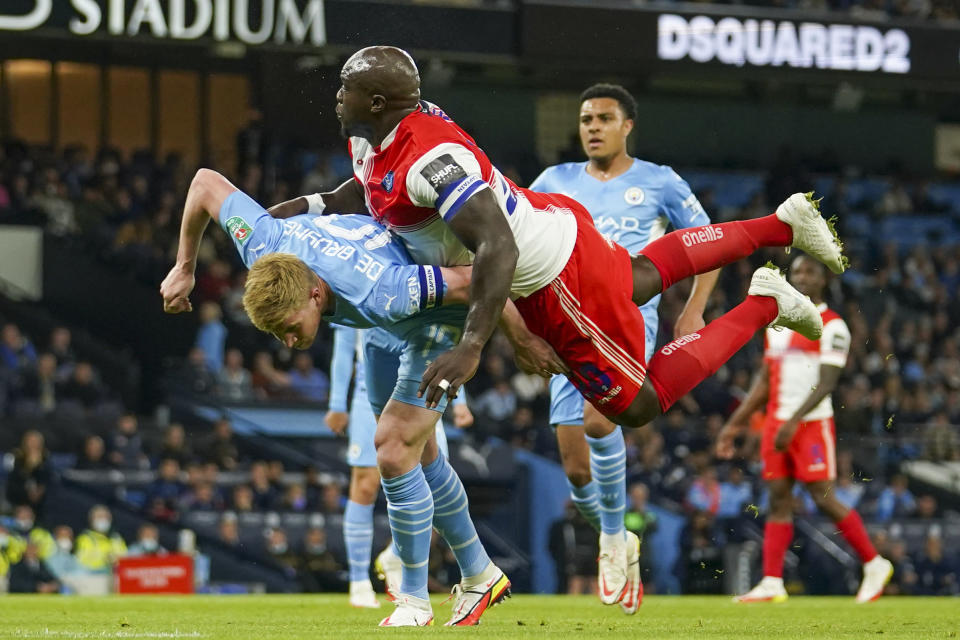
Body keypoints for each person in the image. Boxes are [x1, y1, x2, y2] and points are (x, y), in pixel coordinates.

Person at [265, 45, 845, 621]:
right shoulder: (374, 136)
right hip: (552, 222)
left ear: (378, 99)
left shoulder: (429, 160)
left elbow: (498, 245)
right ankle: (780, 223)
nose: (336, 96)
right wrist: (303, 207)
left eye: (345, 86)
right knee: (642, 277)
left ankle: (764, 303)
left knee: (636, 404)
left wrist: (473, 345)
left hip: (550, 276)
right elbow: (366, 191)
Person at [160, 168, 528, 626]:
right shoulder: (261, 241)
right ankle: (479, 571)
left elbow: (473, 278)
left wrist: (520, 338)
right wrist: (185, 266)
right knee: (423, 455)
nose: (288, 343)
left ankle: (413, 601)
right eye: (276, 333)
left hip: (431, 319)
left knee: (393, 448)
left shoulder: (384, 289)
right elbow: (203, 183)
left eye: (291, 328)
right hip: (378, 328)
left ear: (316, 293)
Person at [529, 83, 719, 612]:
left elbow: (708, 243)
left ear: (627, 125)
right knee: (574, 467)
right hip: (565, 320)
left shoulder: (659, 181)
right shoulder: (555, 181)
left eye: (604, 118)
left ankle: (611, 540)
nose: (592, 127)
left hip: (627, 316)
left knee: (598, 421)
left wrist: (694, 308)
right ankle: (618, 536)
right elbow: (518, 236)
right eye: (586, 118)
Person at [717, 254, 893, 603]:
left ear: (823, 279)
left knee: (822, 496)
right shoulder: (777, 326)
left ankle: (874, 563)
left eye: (810, 271)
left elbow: (827, 383)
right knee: (778, 500)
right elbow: (764, 382)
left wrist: (793, 421)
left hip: (810, 425)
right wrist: (732, 426)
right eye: (796, 271)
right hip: (776, 424)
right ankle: (772, 581)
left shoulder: (832, 325)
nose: (801, 277)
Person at [324, 324, 472, 608]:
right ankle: (358, 582)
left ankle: (395, 555)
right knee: (365, 484)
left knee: (438, 485)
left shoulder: (417, 282)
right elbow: (343, 346)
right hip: (370, 393)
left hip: (419, 386)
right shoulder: (355, 284)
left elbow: (445, 338)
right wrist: (336, 403)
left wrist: (460, 400)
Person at [74, 505, 127, 573]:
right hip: (96, 577)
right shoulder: (85, 538)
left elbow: (125, 557)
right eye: (99, 517)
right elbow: (82, 563)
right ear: (91, 520)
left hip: (117, 576)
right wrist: (106, 560)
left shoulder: (116, 538)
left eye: (105, 517)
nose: (103, 520)